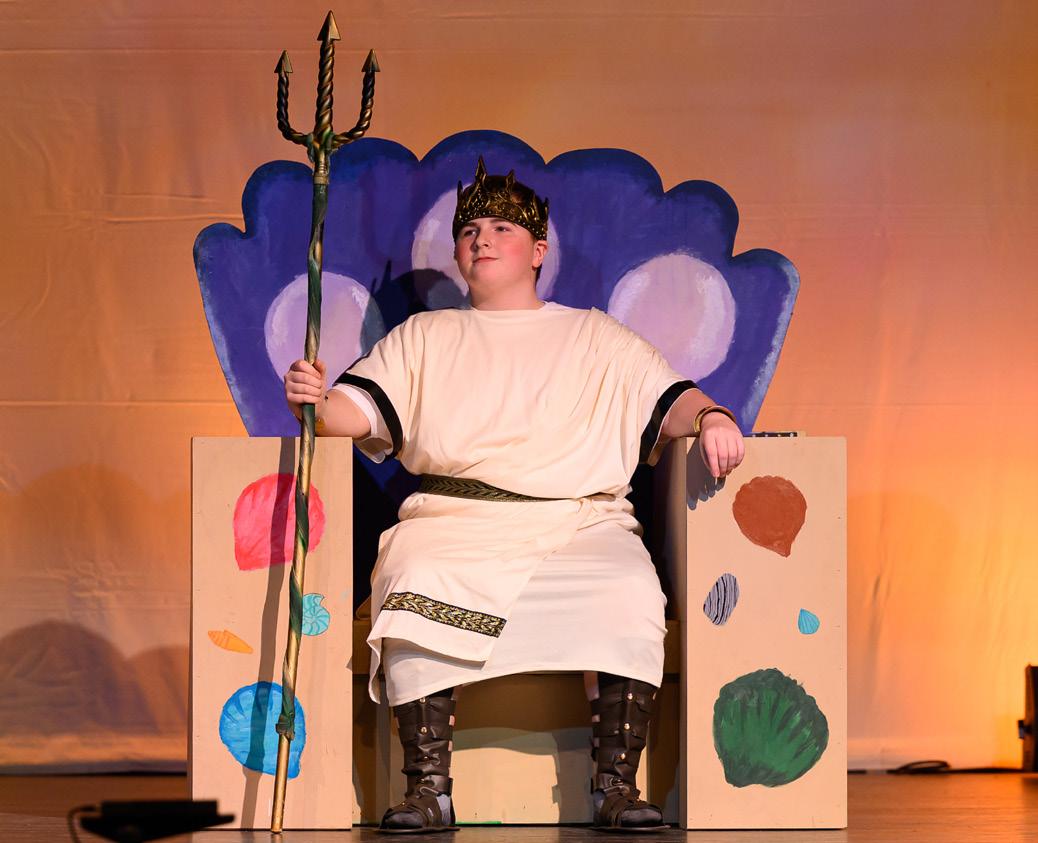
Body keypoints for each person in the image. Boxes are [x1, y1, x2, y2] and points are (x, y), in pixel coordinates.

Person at [283, 158, 745, 833]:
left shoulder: (594, 336)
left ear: (538, 251)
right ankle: (428, 790)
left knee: (627, 589)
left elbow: (669, 398)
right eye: (469, 230)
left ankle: (616, 786)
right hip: (453, 522)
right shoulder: (423, 338)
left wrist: (713, 416)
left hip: (581, 524)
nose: (481, 238)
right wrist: (314, 401)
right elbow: (351, 411)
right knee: (414, 575)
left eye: (502, 227)